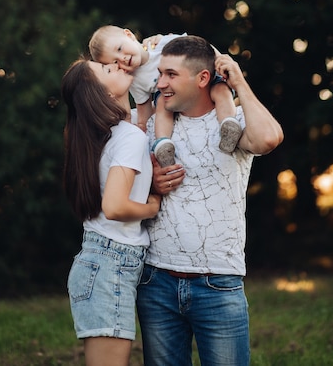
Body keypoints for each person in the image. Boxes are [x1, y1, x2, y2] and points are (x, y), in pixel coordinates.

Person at [136, 35, 284, 366]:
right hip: (156, 280)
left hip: (218, 283)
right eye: (160, 74)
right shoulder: (153, 123)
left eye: (171, 75)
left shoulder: (232, 119)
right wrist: (152, 186)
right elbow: (116, 180)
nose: (160, 83)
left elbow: (269, 138)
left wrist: (238, 81)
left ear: (203, 78)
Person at [61, 56, 161, 366]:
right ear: (102, 94)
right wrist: (151, 206)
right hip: (109, 264)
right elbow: (115, 206)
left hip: (101, 260)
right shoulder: (128, 136)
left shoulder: (105, 134)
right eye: (106, 69)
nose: (117, 65)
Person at [88, 25, 242, 167]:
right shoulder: (135, 80)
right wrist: (141, 128)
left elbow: (200, 46)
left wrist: (220, 61)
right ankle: (163, 144)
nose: (122, 58)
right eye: (115, 61)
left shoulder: (162, 44)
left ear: (129, 35)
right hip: (170, 96)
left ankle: (229, 124)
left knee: (221, 91)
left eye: (120, 48)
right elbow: (144, 109)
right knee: (161, 104)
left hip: (204, 73)